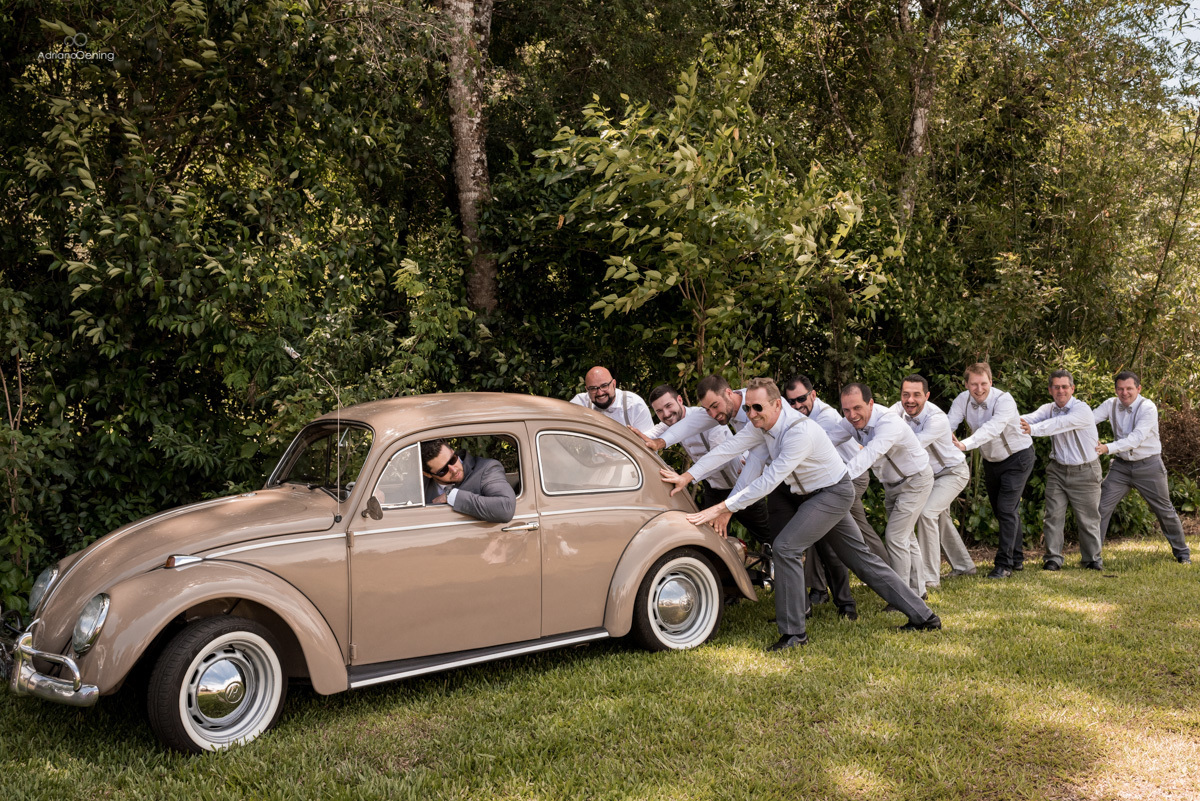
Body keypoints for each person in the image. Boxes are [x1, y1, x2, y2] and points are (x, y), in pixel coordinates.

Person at [660, 378, 941, 651]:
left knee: (786, 547)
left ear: (777, 406)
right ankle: (925, 617)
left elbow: (769, 480)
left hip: (832, 492)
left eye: (758, 408)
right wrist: (688, 476)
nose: (752, 414)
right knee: (862, 560)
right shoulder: (761, 428)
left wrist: (724, 507)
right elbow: (727, 450)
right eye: (748, 408)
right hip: (814, 494)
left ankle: (794, 633)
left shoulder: (798, 432)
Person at [783, 376, 883, 617]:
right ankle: (821, 588)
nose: (796, 405)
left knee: (835, 531)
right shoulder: (801, 418)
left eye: (801, 399)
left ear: (813, 394)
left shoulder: (825, 417)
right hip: (830, 481)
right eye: (791, 402)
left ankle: (886, 578)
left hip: (849, 477)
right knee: (850, 532)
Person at [829, 383, 934, 596]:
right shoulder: (852, 421)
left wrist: (839, 479)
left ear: (870, 403)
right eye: (846, 410)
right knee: (906, 537)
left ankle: (902, 597)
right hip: (892, 485)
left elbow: (869, 455)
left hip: (916, 480)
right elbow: (827, 441)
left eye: (857, 408)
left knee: (896, 536)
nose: (851, 415)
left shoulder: (888, 422)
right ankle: (918, 591)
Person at [948, 363, 1035, 579]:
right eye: (974, 384)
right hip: (991, 460)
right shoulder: (962, 399)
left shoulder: (1004, 400)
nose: (979, 389)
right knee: (1002, 510)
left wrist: (964, 444)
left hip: (1018, 457)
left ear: (991, 382)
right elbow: (949, 423)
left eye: (983, 383)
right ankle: (1017, 558)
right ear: (966, 384)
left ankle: (1004, 565)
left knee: (1006, 509)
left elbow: (993, 428)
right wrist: (946, 437)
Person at [1093, 371, 1191, 564]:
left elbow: (1136, 439)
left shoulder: (1148, 408)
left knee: (1164, 510)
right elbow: (1087, 421)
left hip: (1149, 466)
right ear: (1115, 390)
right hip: (1120, 467)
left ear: (1138, 389)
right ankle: (1093, 556)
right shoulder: (1110, 404)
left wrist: (1106, 448)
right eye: (1120, 389)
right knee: (1100, 507)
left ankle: (1182, 554)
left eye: (1129, 388)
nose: (1124, 393)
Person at [891, 374, 977, 588]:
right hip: (925, 475)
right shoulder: (896, 411)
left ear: (927, 396)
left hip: (952, 472)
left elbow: (914, 445)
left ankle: (929, 577)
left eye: (916, 395)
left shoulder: (937, 419)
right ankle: (965, 565)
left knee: (926, 513)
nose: (910, 400)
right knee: (940, 518)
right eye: (906, 394)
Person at [1018, 370, 1104, 571]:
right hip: (1057, 470)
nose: (1060, 390)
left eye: (1065, 386)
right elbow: (1030, 418)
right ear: (1050, 390)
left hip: (1086, 471)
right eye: (1056, 387)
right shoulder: (1049, 409)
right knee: (1053, 516)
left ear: (1072, 389)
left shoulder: (1082, 410)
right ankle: (1053, 558)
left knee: (1088, 519)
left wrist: (1033, 430)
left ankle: (1092, 559)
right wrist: (1007, 421)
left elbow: (1058, 425)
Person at [421, 439, 516, 524]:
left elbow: (506, 509)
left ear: (452, 451)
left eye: (452, 460)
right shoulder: (420, 485)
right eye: (443, 470)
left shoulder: (486, 469)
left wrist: (450, 495)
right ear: (427, 474)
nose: (454, 470)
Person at [570, 366, 655, 435]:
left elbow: (649, 448)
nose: (600, 393)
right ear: (587, 389)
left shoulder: (634, 405)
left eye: (604, 386)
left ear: (614, 384)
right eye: (593, 388)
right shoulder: (581, 402)